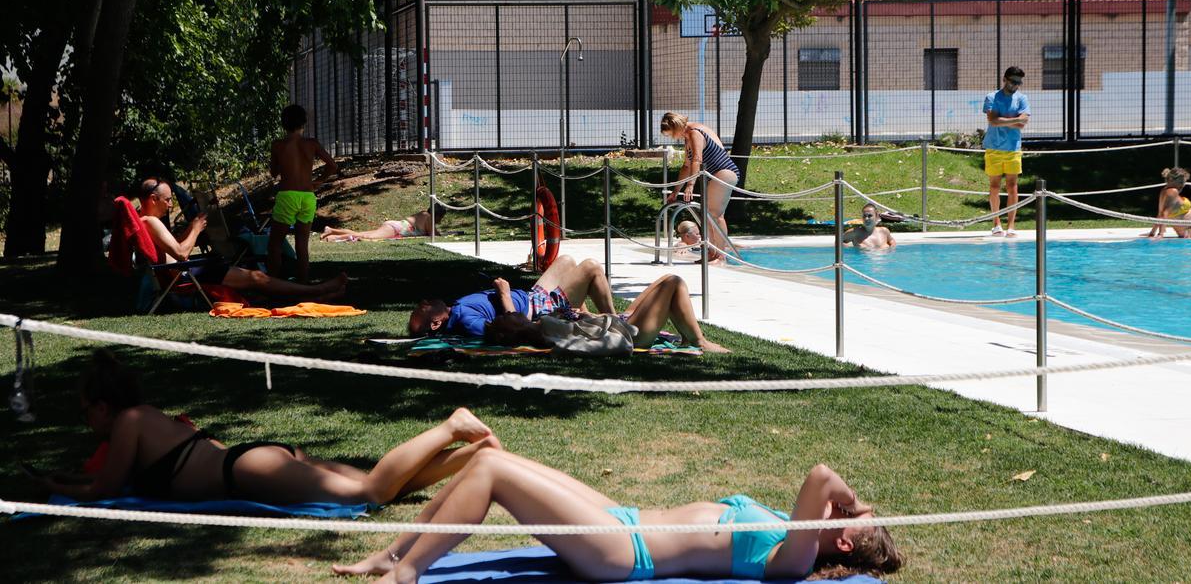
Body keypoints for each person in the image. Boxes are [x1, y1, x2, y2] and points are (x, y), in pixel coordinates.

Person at [331, 449, 902, 583]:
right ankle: (394, 551)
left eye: (853, 517)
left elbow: (822, 474)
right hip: (621, 517)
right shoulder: (796, 531)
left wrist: (851, 503)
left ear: (844, 544)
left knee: (491, 475)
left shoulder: (797, 557)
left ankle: (406, 571)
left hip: (625, 551)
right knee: (490, 457)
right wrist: (853, 512)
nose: (847, 508)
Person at [32, 350, 500, 504]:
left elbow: (107, 488)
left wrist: (60, 488)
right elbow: (110, 477)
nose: (86, 422)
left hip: (246, 468)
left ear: (103, 406)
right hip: (253, 458)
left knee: (369, 495)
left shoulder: (131, 422)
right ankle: (474, 456)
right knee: (384, 486)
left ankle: (450, 427)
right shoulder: (151, 417)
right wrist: (74, 477)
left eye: (84, 411)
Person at [137, 178, 347, 300]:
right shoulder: (151, 221)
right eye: (167, 200)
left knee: (255, 277)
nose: (171, 205)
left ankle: (315, 292)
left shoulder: (145, 220)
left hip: (184, 273)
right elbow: (182, 253)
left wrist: (195, 230)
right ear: (153, 199)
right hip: (186, 276)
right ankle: (318, 290)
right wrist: (195, 229)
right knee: (257, 278)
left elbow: (174, 248)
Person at [484, 274, 730, 354]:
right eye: (507, 317)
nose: (507, 314)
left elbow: (581, 330)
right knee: (673, 283)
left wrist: (585, 316)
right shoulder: (546, 333)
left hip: (617, 324)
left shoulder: (539, 327)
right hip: (631, 335)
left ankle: (688, 336)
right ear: (515, 327)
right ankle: (699, 341)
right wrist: (591, 320)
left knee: (665, 280)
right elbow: (591, 344)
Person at [408, 255, 616, 337]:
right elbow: (513, 329)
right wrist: (504, 294)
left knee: (567, 261)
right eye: (424, 308)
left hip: (532, 298)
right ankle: (617, 325)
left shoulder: (456, 310)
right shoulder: (464, 320)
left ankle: (581, 314)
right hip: (538, 311)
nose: (425, 301)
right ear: (435, 324)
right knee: (591, 267)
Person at [269, 104, 338, 283]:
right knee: (302, 243)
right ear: (304, 123)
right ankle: (303, 284)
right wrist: (319, 181)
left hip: (287, 196)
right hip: (308, 196)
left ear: (283, 124)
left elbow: (273, 173)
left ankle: (272, 284)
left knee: (275, 244)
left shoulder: (278, 145)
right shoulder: (312, 143)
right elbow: (332, 165)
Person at [661, 113, 739, 262]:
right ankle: (712, 252)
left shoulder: (695, 133)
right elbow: (686, 166)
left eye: (672, 134)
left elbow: (697, 159)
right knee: (706, 214)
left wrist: (690, 186)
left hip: (725, 172)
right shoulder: (687, 137)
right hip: (716, 174)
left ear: (676, 127)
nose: (673, 138)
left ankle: (721, 256)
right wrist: (675, 192)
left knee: (715, 214)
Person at [982, 67, 1030, 238]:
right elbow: (992, 121)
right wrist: (1016, 120)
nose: (1016, 85)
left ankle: (1011, 225)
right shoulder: (992, 97)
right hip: (994, 147)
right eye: (1013, 81)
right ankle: (996, 224)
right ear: (1005, 79)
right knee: (994, 186)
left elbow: (1023, 123)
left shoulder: (1022, 98)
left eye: (1019, 82)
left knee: (1012, 187)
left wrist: (1002, 120)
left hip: (1013, 148)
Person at [321, 207, 445, 242]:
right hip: (396, 228)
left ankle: (332, 232)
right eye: (441, 218)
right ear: (437, 215)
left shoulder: (423, 214)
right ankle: (334, 234)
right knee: (367, 237)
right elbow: (434, 235)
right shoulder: (429, 217)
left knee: (363, 234)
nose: (440, 221)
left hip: (395, 226)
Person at [1146, 167, 1191, 239]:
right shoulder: (1172, 191)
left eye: (1184, 182)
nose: (1182, 185)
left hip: (1190, 228)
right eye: (1180, 182)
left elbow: (1160, 214)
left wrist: (1152, 233)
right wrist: (1160, 234)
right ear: (1170, 180)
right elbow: (1164, 213)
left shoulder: (1164, 190)